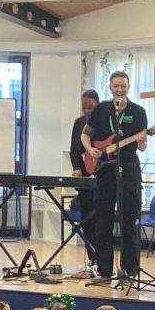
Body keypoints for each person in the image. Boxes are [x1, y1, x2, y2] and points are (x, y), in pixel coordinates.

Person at [81, 71, 147, 279]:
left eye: (123, 86)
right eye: (116, 86)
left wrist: (142, 140)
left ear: (128, 87)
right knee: (103, 220)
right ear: (110, 87)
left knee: (128, 220)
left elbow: (142, 147)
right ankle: (104, 269)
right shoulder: (101, 109)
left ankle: (129, 270)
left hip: (128, 169)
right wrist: (91, 150)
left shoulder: (138, 111)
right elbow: (85, 135)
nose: (119, 89)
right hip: (104, 170)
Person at [69, 89, 99, 266]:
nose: (87, 111)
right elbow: (74, 149)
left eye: (91, 108)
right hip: (84, 173)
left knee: (99, 217)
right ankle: (92, 257)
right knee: (86, 216)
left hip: (100, 171)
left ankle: (102, 257)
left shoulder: (103, 122)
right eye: (84, 107)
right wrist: (76, 168)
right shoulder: (78, 123)